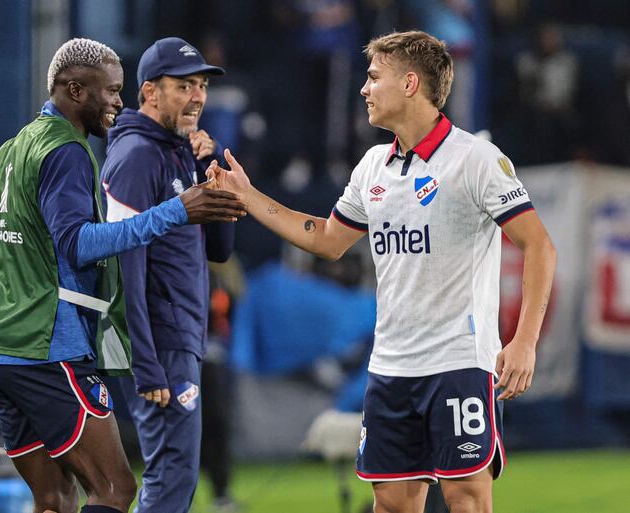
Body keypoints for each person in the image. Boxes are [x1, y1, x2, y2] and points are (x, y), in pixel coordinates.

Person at [207, 30, 556, 513]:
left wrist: (524, 341)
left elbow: (538, 246)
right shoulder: (373, 165)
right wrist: (248, 196)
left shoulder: (475, 159)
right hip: (391, 368)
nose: (364, 89)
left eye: (374, 77)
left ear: (410, 83)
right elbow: (326, 239)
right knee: (390, 503)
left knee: (467, 500)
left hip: (459, 363)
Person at [0, 38, 245, 513]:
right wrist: (175, 211)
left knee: (55, 497)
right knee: (115, 489)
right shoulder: (67, 149)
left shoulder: (13, 146)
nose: (117, 102)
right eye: (110, 91)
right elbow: (78, 243)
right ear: (75, 90)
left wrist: (15, 279)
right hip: (44, 345)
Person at [100, 37, 231, 513]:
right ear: (150, 92)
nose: (197, 96)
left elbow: (219, 249)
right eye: (183, 85)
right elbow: (121, 264)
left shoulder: (180, 152)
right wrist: (145, 360)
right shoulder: (137, 154)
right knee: (170, 475)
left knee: (174, 475)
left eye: (201, 85)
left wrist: (207, 172)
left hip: (180, 336)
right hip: (159, 339)